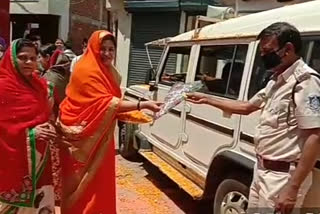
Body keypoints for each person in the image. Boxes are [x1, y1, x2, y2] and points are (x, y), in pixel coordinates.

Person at [187, 22, 320, 214]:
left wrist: (292, 188)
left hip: (282, 177)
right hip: (262, 169)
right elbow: (247, 107)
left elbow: (314, 136)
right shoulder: (276, 81)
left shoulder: (305, 82)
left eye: (268, 51)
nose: (263, 56)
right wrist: (206, 98)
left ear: (288, 49)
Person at [58, 30, 162, 214]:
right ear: (93, 48)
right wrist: (142, 104)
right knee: (81, 187)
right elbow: (105, 103)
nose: (107, 53)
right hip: (82, 139)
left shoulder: (109, 72)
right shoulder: (86, 70)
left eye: (111, 49)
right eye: (102, 48)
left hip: (102, 137)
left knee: (100, 184)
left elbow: (108, 107)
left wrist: (131, 113)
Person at [0, 39, 57, 213]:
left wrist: (50, 126)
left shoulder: (41, 86)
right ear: (11, 58)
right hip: (12, 160)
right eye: (23, 57)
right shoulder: (2, 86)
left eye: (33, 58)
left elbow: (46, 114)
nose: (29, 62)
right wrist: (29, 134)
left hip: (40, 158)